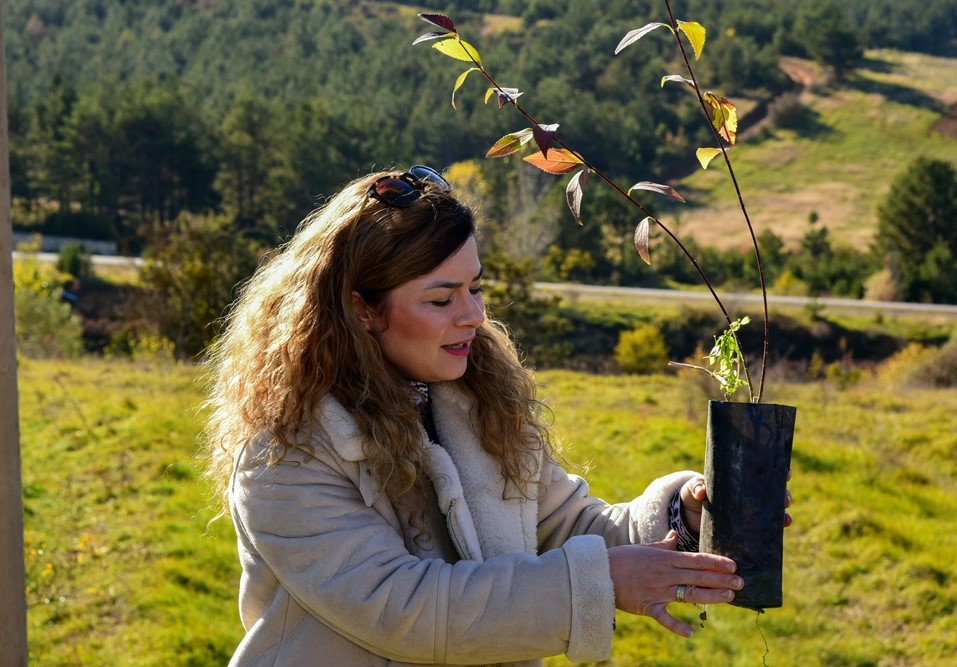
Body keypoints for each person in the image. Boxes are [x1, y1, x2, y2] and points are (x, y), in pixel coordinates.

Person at [204, 165, 790, 667]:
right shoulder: (286, 452)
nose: (473, 317)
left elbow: (565, 528)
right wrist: (602, 581)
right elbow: (401, 608)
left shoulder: (474, 403)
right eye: (441, 299)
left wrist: (682, 518)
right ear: (362, 309)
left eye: (475, 289)